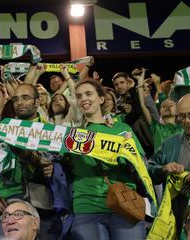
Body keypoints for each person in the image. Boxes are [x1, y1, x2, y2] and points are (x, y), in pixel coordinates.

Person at [69, 79, 146, 240]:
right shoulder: (71, 136)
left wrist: (127, 158)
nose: (83, 99)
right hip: (87, 209)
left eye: (88, 94)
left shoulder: (122, 129)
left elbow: (142, 164)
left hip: (124, 206)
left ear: (101, 99)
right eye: (79, 96)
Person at [0, 83, 56, 239]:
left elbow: (61, 165)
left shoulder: (51, 132)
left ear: (37, 102)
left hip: (41, 201)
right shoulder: (2, 131)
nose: (19, 102)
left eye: (25, 97)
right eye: (15, 99)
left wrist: (55, 168)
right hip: (5, 202)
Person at [148, 93, 190, 239]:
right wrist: (163, 168)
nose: (187, 121)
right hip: (178, 215)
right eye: (182, 116)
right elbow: (148, 169)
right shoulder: (170, 144)